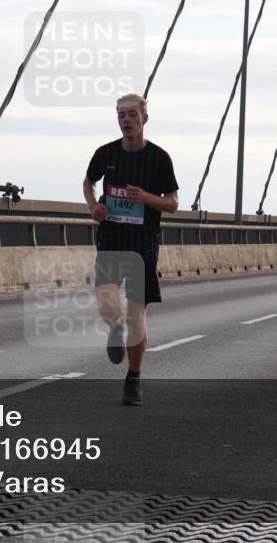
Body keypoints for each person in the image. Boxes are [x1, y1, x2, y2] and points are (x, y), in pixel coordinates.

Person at [83, 94, 178, 405]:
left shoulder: (159, 158)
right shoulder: (106, 153)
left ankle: (133, 378)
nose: (126, 120)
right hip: (111, 240)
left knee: (138, 317)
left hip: (142, 246)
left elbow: (173, 203)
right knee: (107, 306)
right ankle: (115, 327)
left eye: (132, 115)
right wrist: (93, 206)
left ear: (144, 119)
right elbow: (89, 181)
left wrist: (146, 197)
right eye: (121, 115)